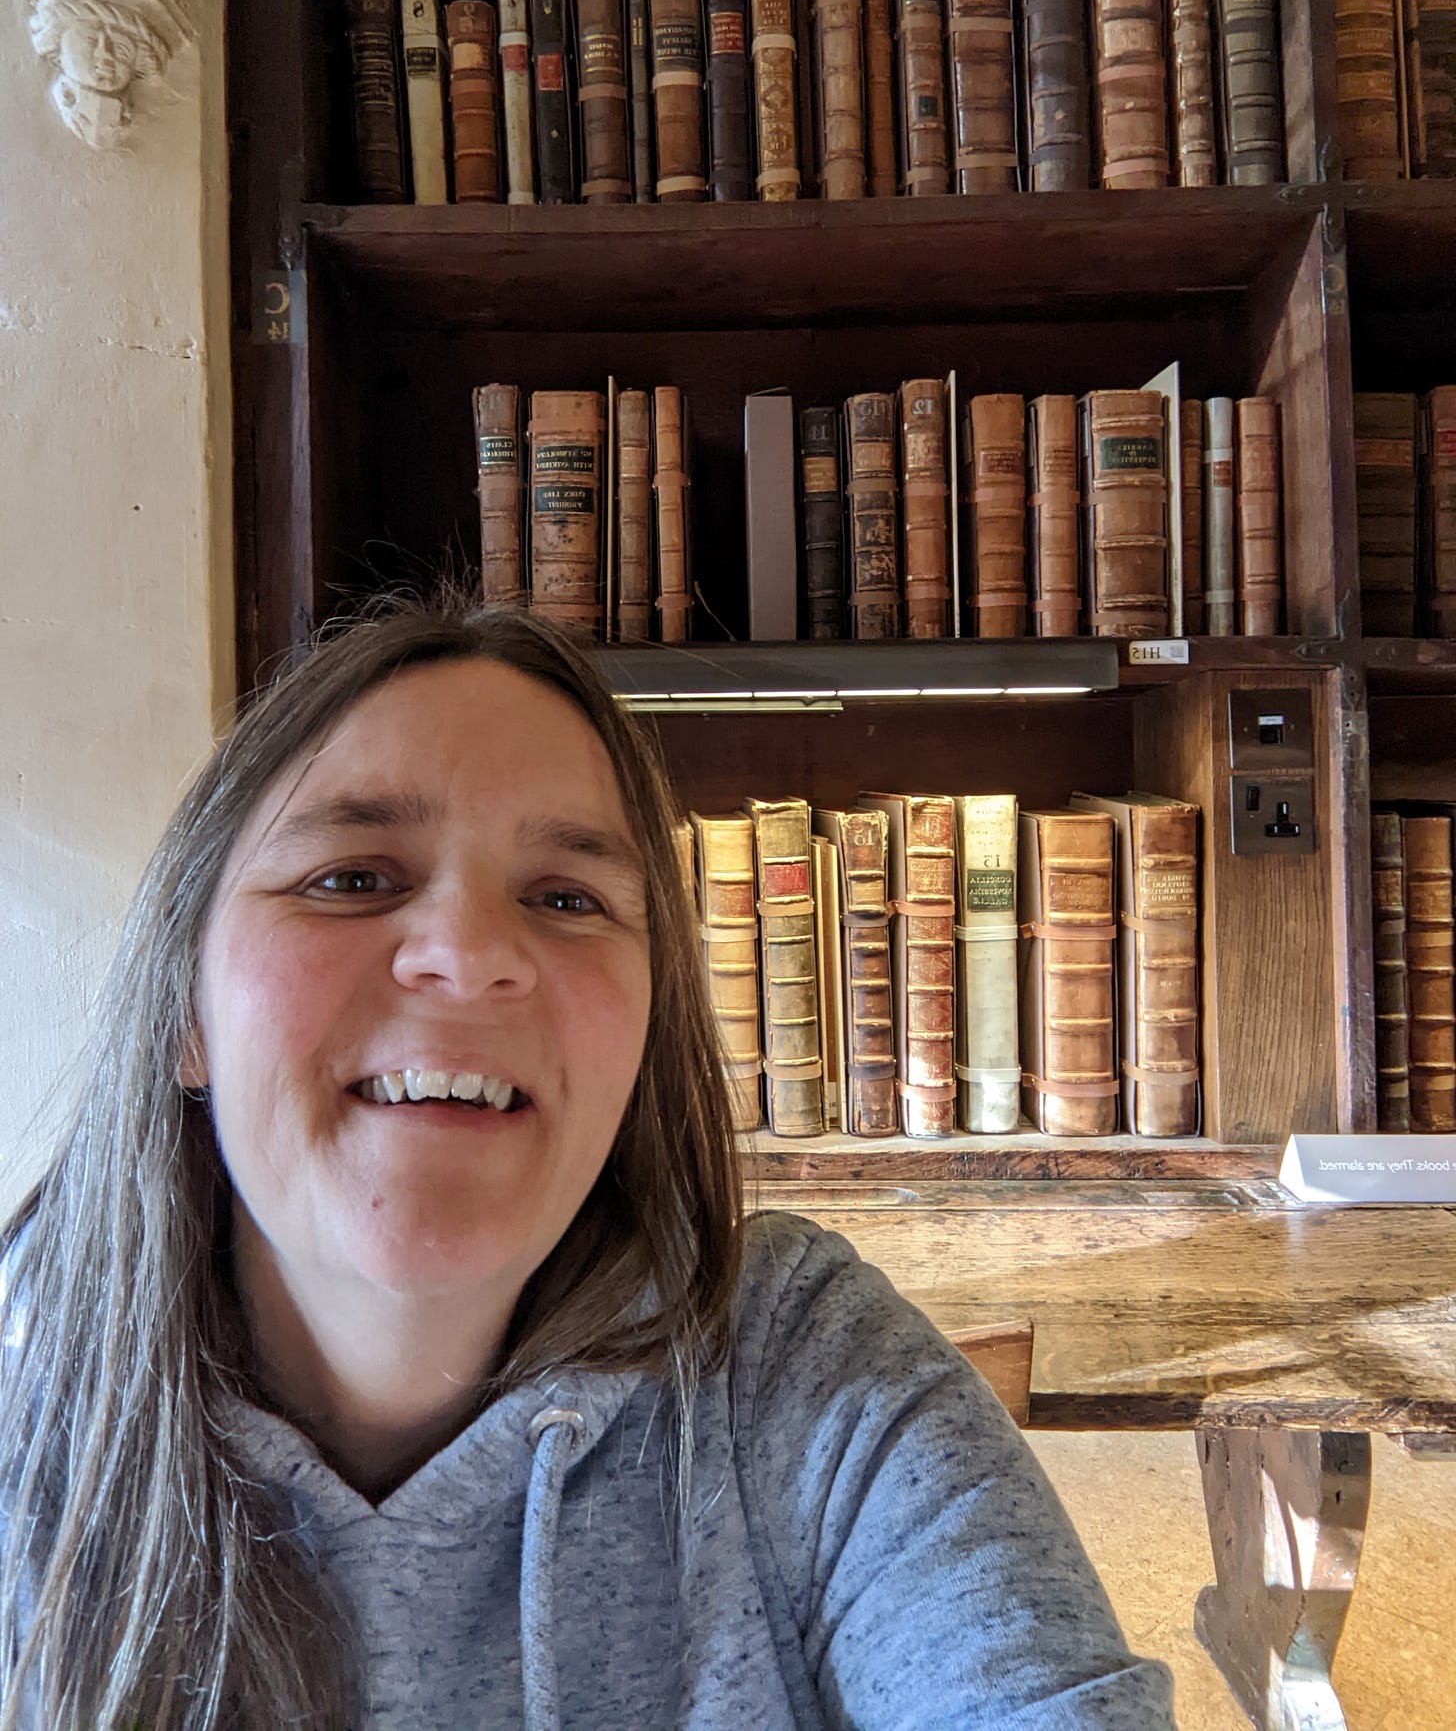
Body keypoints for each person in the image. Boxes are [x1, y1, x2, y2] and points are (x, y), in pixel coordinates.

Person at [0, 594, 1174, 1730]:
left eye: (567, 897)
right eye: (351, 879)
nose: (467, 955)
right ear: (184, 1017)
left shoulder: (803, 1376)